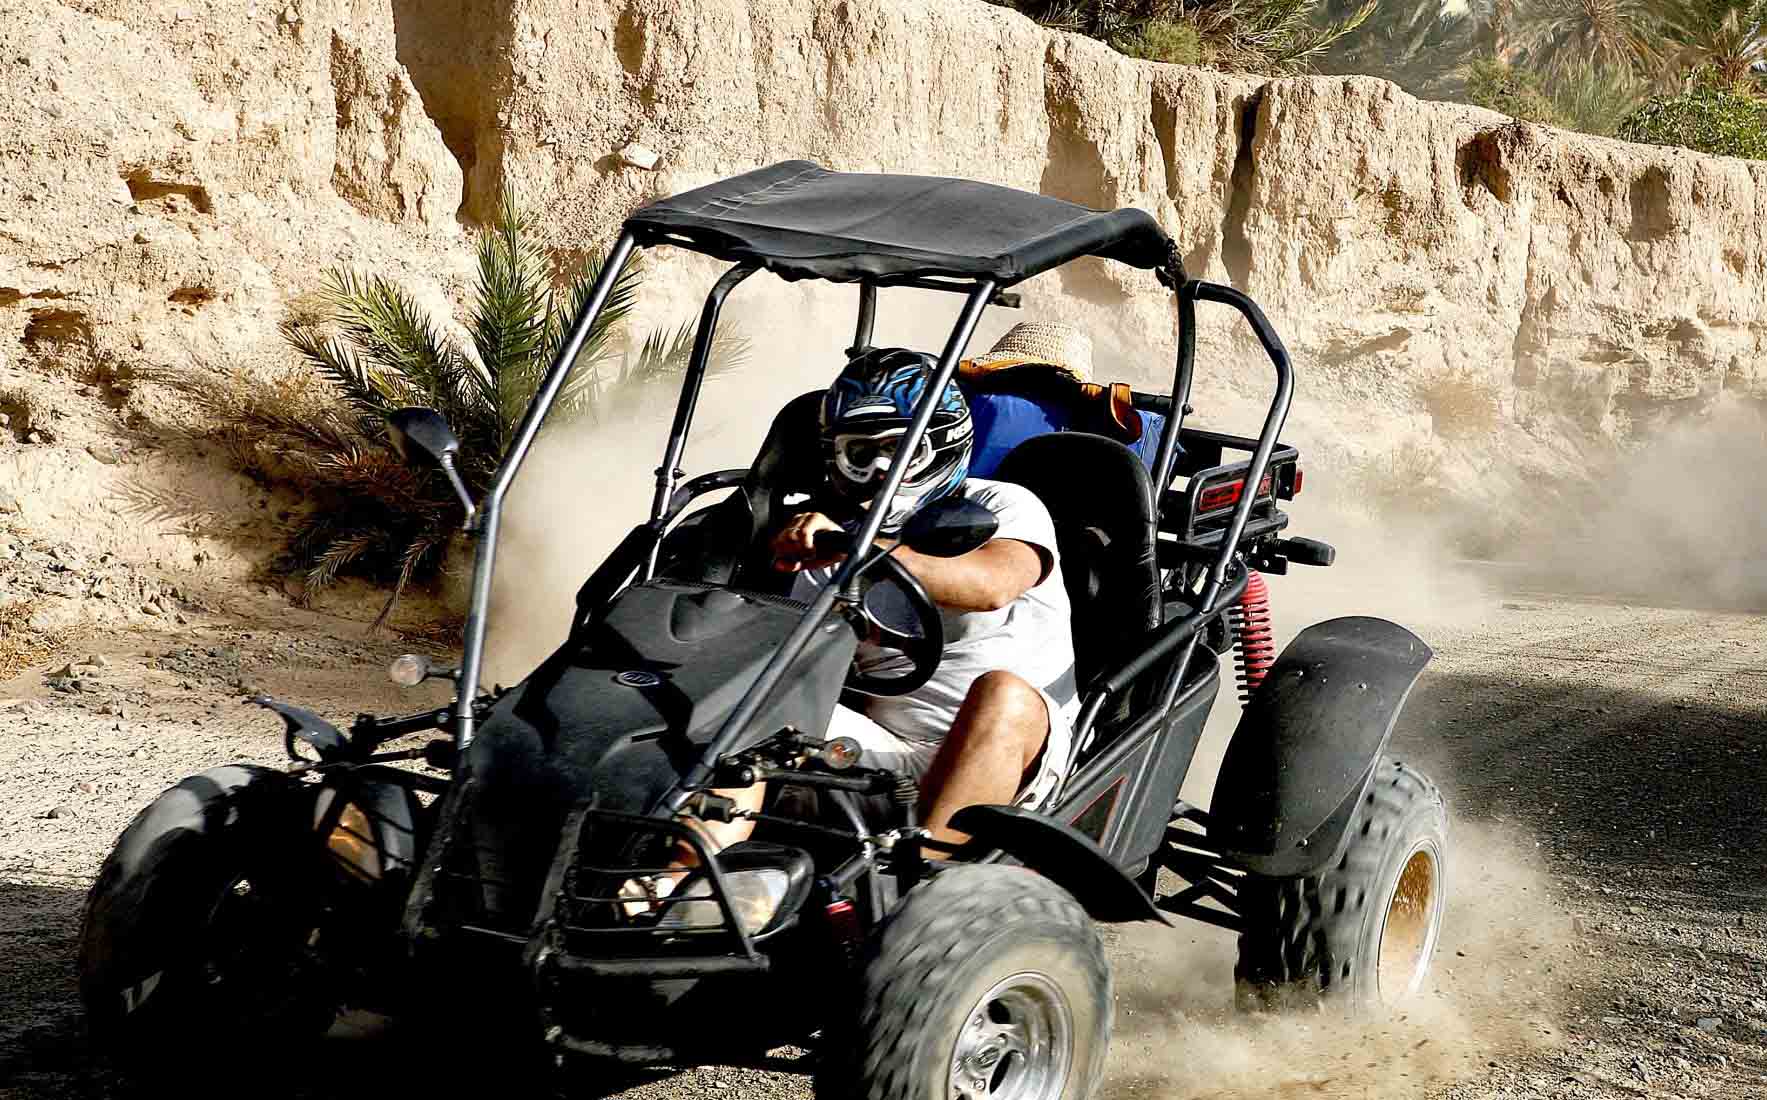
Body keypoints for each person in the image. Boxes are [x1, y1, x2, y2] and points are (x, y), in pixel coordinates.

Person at [767, 345, 1079, 850]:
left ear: (943, 441)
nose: (881, 472)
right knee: (752, 700)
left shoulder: (1003, 505)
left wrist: (856, 551)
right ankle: (673, 886)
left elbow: (992, 584)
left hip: (1015, 756)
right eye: (861, 455)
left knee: (1003, 692)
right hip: (887, 756)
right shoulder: (828, 545)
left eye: (901, 449)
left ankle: (924, 882)